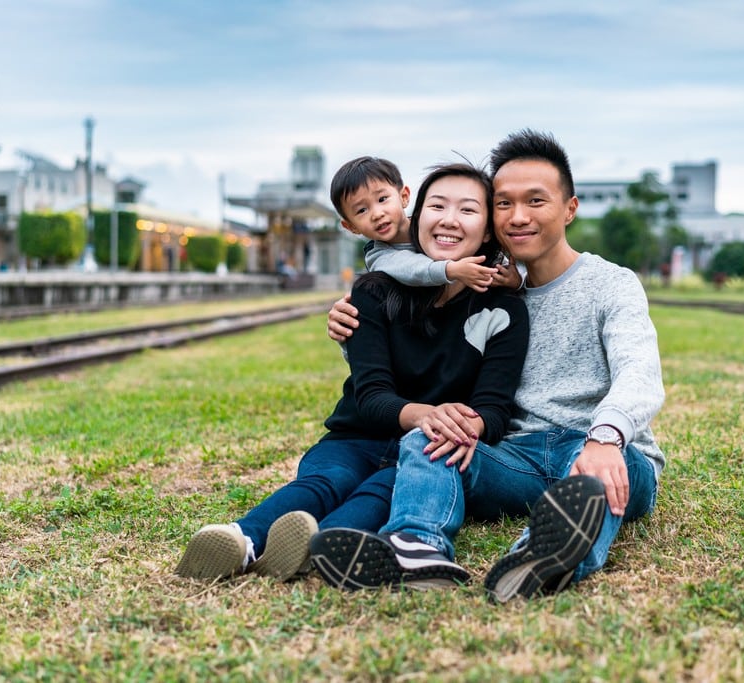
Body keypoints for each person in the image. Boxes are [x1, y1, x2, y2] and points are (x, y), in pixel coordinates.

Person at [312, 129, 665, 601]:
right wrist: (350, 331)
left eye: (535, 201)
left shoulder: (611, 284)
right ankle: (415, 546)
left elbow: (638, 370)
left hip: (600, 449)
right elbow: (413, 353)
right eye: (504, 204)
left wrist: (605, 438)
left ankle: (541, 558)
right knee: (430, 436)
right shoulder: (482, 289)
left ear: (570, 209)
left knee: (593, 480)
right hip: (513, 454)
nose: (518, 217)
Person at [175, 161, 530, 582]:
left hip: (425, 453)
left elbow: (493, 412)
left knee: (388, 489)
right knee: (330, 479)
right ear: (419, 213)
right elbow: (372, 395)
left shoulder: (504, 309)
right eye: (437, 206)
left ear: (488, 229)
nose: (449, 220)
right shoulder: (373, 290)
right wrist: (425, 413)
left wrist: (461, 424)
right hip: (357, 434)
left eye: (468, 210)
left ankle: (318, 544)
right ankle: (242, 539)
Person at [330, 156, 520, 292]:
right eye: (362, 210)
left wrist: (512, 279)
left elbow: (486, 261)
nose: (377, 214)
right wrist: (451, 269)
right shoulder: (379, 255)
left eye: (382, 199)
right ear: (351, 227)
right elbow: (410, 268)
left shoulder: (433, 225)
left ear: (404, 197)